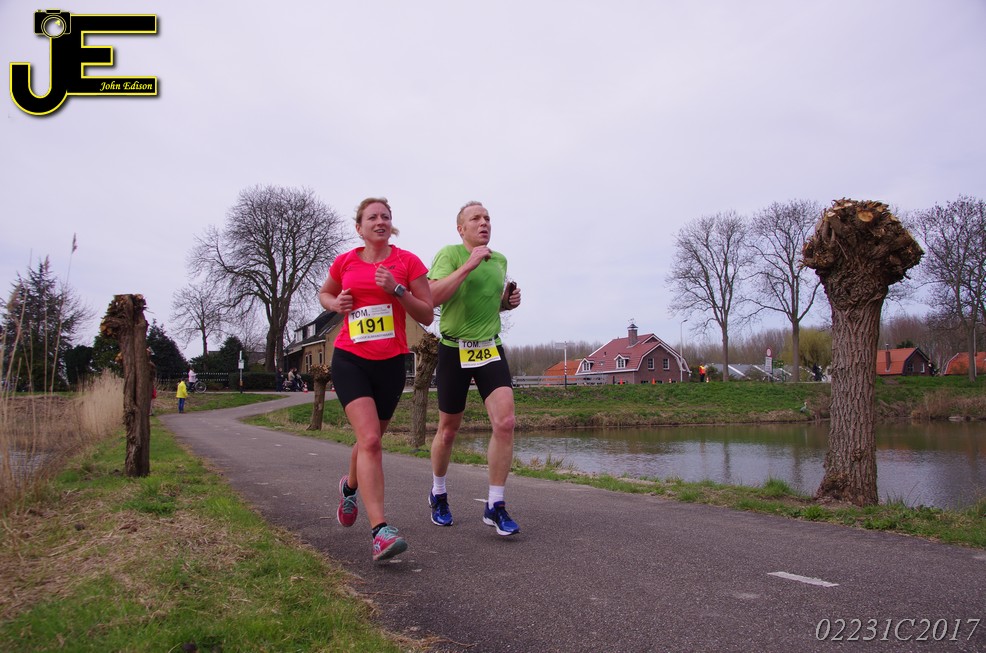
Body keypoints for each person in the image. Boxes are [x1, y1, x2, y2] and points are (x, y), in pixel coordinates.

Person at [318, 197, 434, 562]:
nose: (380, 221)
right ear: (360, 227)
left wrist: (397, 290)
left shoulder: (407, 262)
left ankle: (349, 487)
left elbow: (427, 314)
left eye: (386, 216)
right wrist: (334, 304)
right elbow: (325, 293)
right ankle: (380, 532)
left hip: (390, 364)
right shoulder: (345, 262)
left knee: (370, 440)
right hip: (350, 359)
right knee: (369, 440)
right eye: (372, 217)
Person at [427, 201, 522, 536]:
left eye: (488, 218)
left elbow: (488, 302)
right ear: (461, 228)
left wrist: (506, 303)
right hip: (454, 348)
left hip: (489, 348)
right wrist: (468, 265)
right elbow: (433, 296)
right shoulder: (449, 254)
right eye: (476, 218)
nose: (484, 223)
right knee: (448, 430)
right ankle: (438, 493)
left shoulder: (499, 260)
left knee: (505, 422)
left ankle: (495, 504)